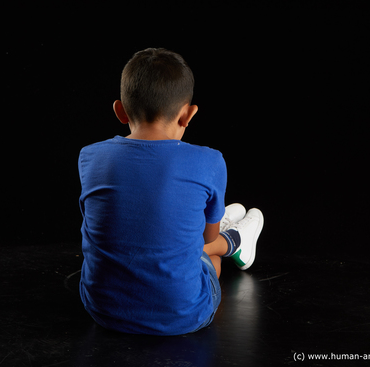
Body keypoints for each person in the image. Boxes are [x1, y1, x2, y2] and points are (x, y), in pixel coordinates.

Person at [78, 48, 264, 336]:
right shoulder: (210, 160)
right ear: (188, 115)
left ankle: (220, 231)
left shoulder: (90, 157)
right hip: (185, 315)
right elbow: (207, 237)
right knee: (208, 258)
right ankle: (234, 240)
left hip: (103, 310)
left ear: (120, 111)